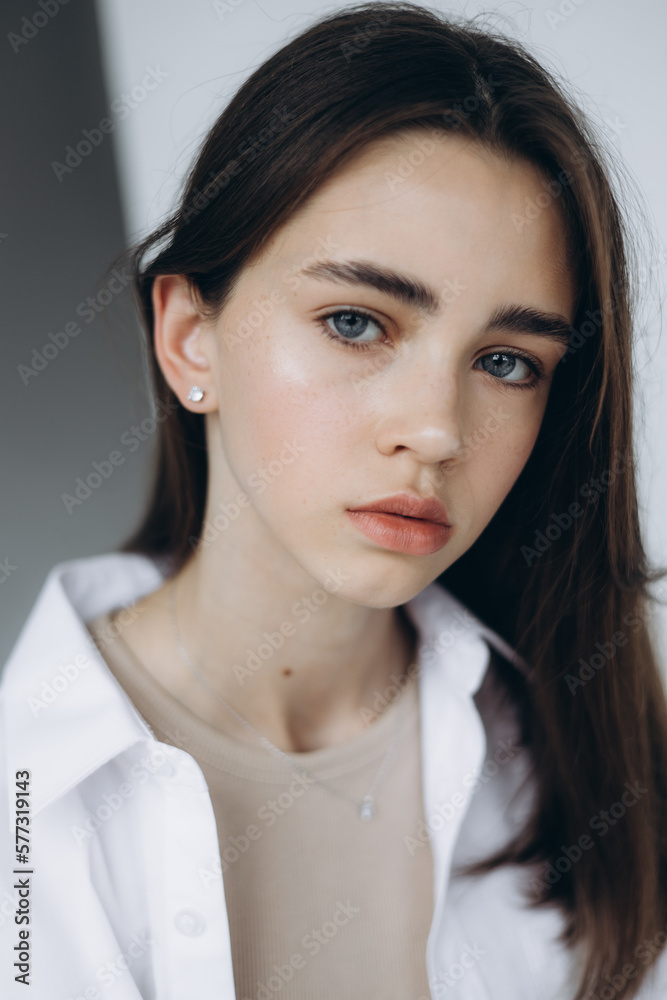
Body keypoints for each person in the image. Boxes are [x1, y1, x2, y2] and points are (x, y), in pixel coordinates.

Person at [2, 3, 667, 998]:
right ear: (190, 339)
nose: (436, 428)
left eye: (505, 361)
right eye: (355, 321)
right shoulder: (26, 805)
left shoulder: (595, 753)